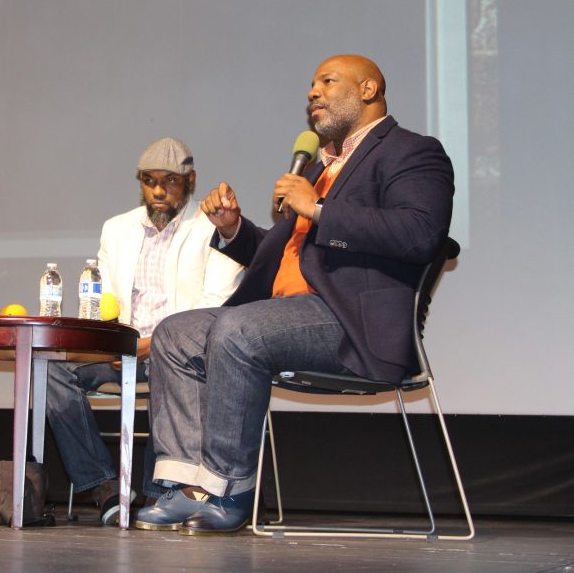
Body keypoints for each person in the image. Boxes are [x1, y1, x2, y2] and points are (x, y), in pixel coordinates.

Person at [135, 55, 455, 535]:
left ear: (368, 90)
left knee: (239, 328)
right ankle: (184, 483)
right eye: (310, 85)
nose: (313, 92)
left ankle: (227, 487)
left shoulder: (413, 151)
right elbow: (286, 254)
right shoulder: (322, 168)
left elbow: (422, 233)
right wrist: (234, 229)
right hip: (286, 314)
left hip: (351, 322)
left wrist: (320, 209)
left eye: (327, 82)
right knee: (176, 333)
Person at [45, 137, 243, 525]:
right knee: (51, 368)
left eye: (168, 181)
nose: (157, 191)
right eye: (149, 180)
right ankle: (105, 488)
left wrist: (147, 348)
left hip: (178, 353)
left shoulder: (212, 230)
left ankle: (161, 491)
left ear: (190, 181)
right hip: (123, 349)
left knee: (172, 366)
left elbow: (215, 306)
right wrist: (117, 345)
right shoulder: (116, 229)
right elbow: (106, 301)